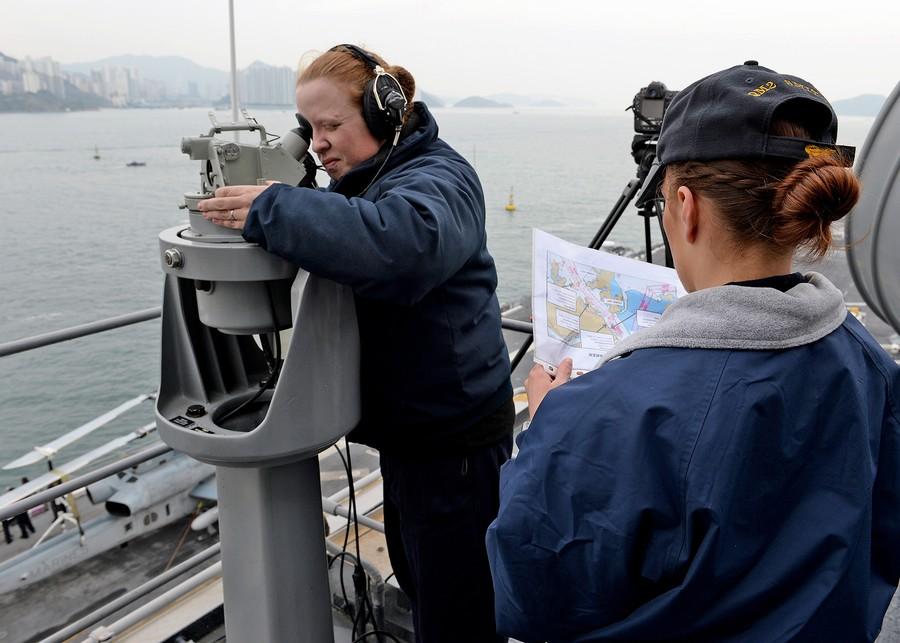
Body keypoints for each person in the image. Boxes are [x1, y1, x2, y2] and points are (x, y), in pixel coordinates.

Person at [486, 61, 900, 642]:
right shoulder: (870, 363)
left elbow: (531, 598)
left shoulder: (607, 410)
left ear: (686, 206)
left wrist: (549, 423)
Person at [198, 45, 513, 642]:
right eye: (308, 128)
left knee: (460, 614)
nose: (317, 143)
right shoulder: (371, 181)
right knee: (427, 596)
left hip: (455, 448)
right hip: (412, 438)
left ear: (385, 113)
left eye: (331, 125)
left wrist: (274, 207)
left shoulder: (439, 179)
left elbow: (403, 245)